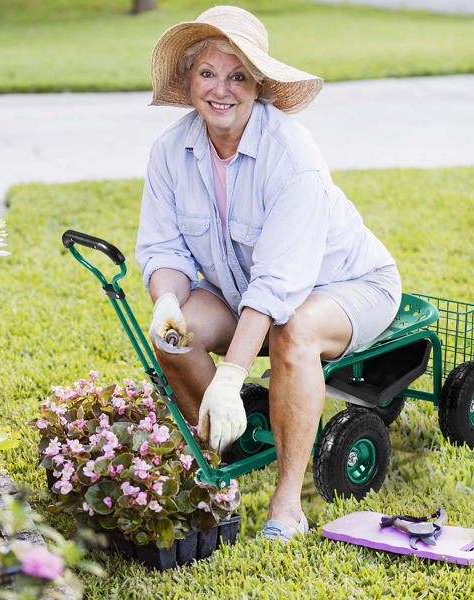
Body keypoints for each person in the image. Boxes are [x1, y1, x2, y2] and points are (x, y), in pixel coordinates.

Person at [135, 5, 402, 543]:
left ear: (259, 85)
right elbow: (165, 249)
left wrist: (232, 376)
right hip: (241, 291)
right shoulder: (170, 150)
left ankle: (286, 506)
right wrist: (165, 300)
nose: (221, 90)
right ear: (188, 79)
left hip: (348, 285)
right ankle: (227, 456)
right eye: (207, 73)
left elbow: (278, 287)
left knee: (294, 331)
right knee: (172, 337)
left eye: (237, 76)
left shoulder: (292, 155)